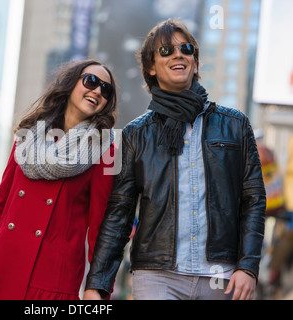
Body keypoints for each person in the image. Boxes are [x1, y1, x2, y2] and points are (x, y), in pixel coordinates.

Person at [84, 19, 266, 300]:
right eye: (166, 51)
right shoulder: (136, 134)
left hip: (222, 277)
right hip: (157, 277)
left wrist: (248, 266)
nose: (178, 54)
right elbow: (120, 214)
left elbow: (253, 201)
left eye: (186, 48)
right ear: (151, 68)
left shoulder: (236, 125)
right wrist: (97, 284)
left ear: (195, 62)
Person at [0, 59, 118, 300]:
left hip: (52, 281)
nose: (97, 91)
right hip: (1, 267)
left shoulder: (107, 150)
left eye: (105, 90)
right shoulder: (28, 137)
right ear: (70, 84)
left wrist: (97, 288)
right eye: (91, 81)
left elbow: (103, 229)